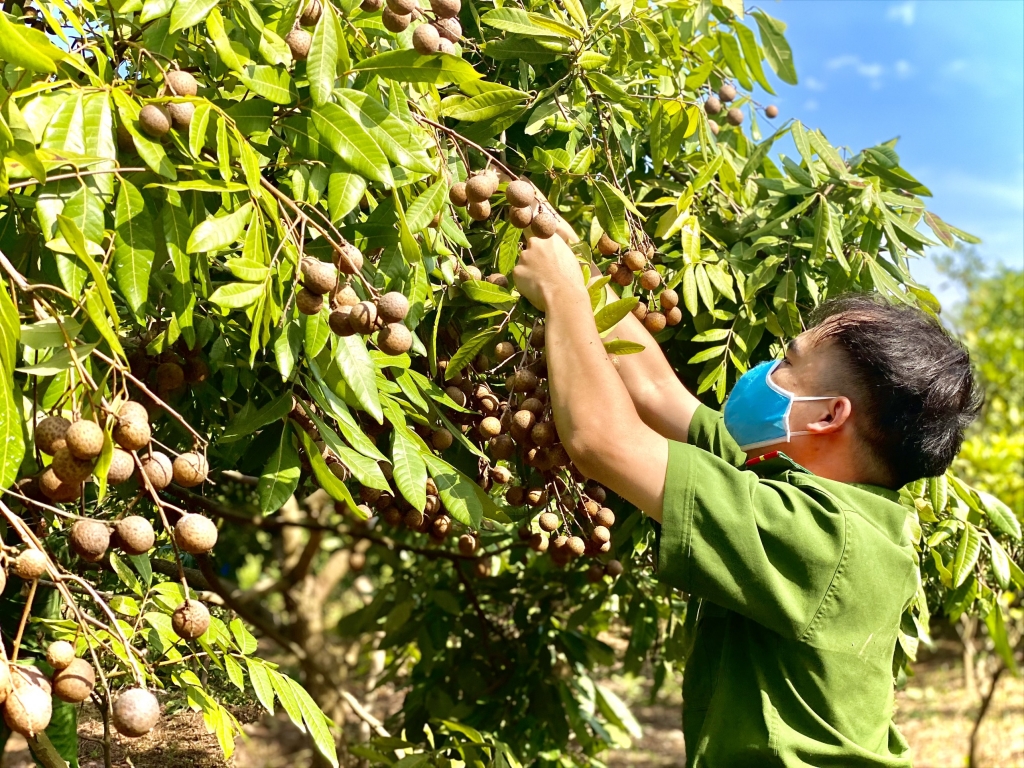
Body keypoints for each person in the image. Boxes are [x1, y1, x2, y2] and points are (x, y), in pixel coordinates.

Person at [512, 223, 981, 767]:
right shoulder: (798, 489)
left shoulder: (823, 537)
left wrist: (563, 294)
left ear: (830, 414)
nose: (766, 371)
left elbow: (603, 441)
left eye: (788, 362)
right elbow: (656, 392)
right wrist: (583, 271)